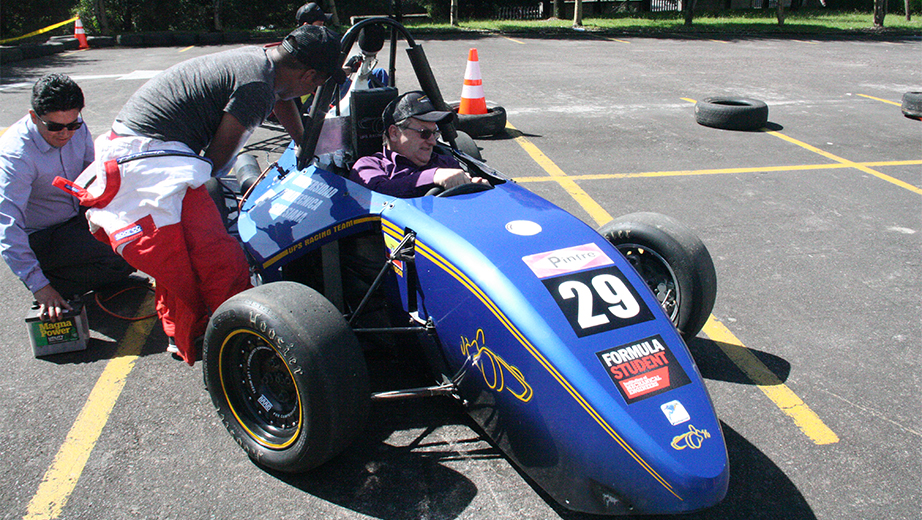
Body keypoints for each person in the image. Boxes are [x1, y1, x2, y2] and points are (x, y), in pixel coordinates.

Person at [56, 24, 346, 365]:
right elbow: (218, 159)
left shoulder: (264, 63)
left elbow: (281, 99)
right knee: (219, 258)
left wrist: (303, 143)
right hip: (149, 164)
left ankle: (183, 336)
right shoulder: (256, 87)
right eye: (318, 82)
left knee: (184, 262)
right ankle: (242, 342)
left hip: (135, 148)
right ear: (310, 74)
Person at [0, 74, 134, 322]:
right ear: (33, 117)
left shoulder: (78, 129)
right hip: (41, 236)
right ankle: (45, 281)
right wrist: (40, 287)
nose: (65, 134)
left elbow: (93, 179)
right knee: (118, 256)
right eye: (54, 127)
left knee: (130, 245)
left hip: (75, 221)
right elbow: (8, 227)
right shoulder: (16, 155)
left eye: (72, 125)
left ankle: (65, 272)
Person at [349, 91, 488, 197]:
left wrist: (478, 188)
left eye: (435, 133)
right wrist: (434, 176)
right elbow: (379, 193)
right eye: (424, 133)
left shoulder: (446, 163)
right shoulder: (369, 165)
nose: (433, 141)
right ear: (394, 133)